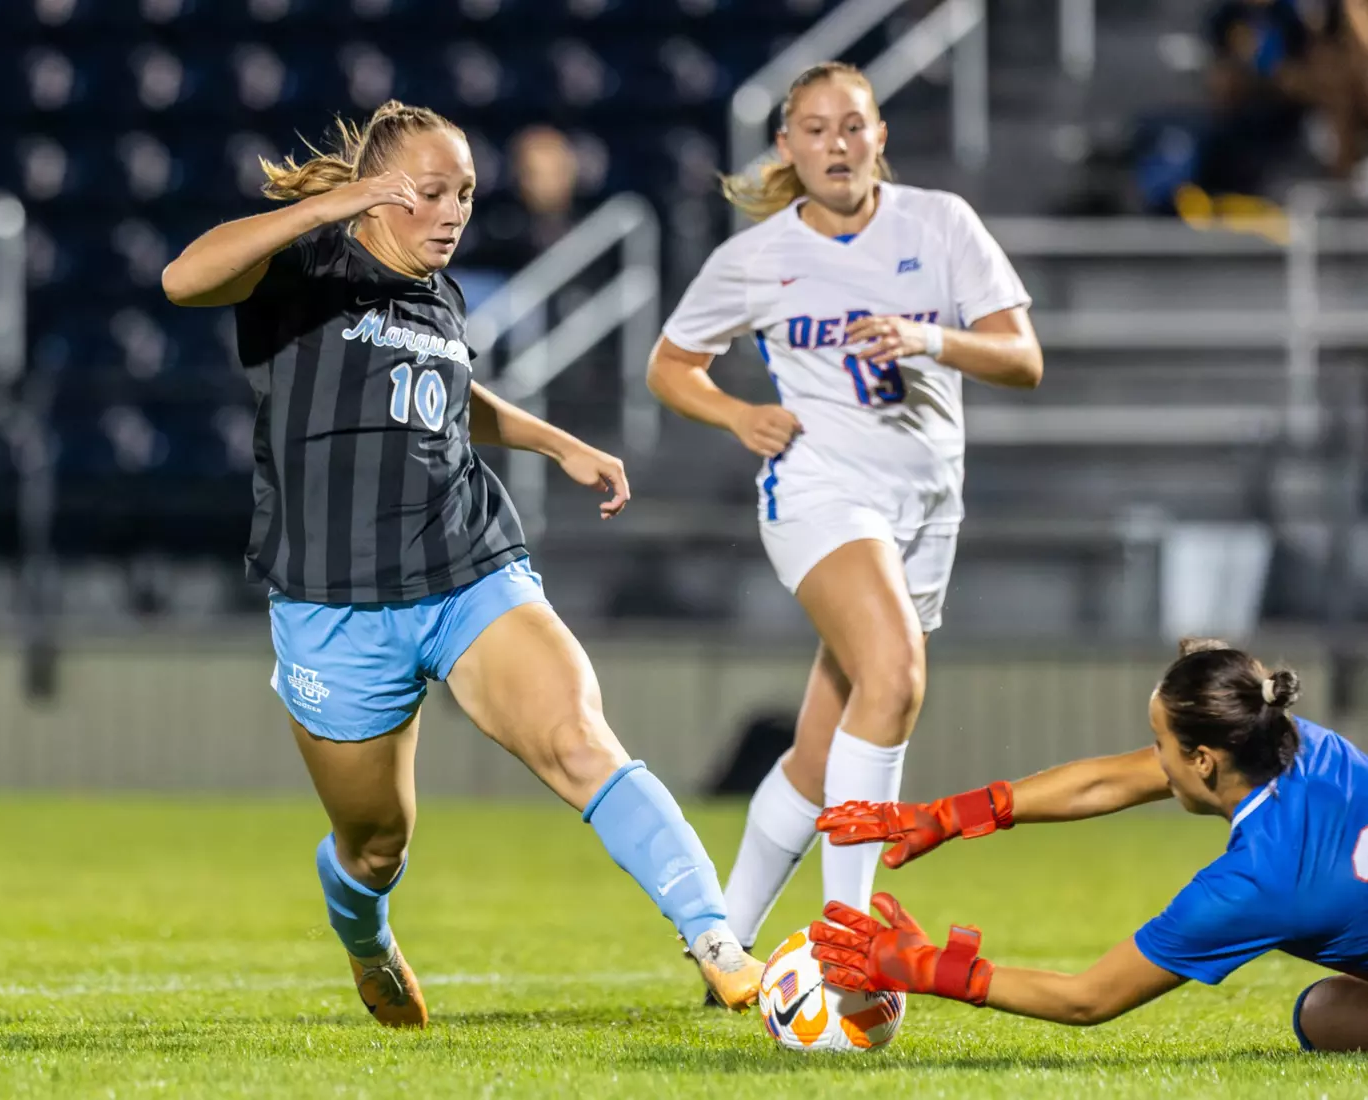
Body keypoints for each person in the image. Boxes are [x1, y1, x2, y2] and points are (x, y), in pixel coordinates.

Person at [160, 100, 764, 1027]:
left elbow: (445, 393)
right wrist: (332, 206)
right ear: (376, 194)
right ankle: (365, 934)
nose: (453, 212)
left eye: (467, 194)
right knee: (374, 846)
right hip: (335, 602)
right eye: (431, 192)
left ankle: (718, 941)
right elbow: (181, 278)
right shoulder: (304, 269)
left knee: (578, 739)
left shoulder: (438, 293)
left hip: (466, 567)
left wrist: (555, 442)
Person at [646, 62, 1042, 964]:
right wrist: (737, 413)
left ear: (879, 137)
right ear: (786, 146)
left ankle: (721, 946)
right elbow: (670, 365)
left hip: (927, 504)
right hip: (817, 490)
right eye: (815, 129)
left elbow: (1022, 359)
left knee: (822, 755)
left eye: (852, 125)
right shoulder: (754, 257)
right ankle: (847, 943)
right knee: (895, 675)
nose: (836, 144)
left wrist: (925, 336)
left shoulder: (938, 224)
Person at [810, 639, 1368, 1053]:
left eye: (1160, 744)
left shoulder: (1254, 885)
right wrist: (948, 815)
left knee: (1322, 1015)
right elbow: (1108, 782)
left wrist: (930, 969)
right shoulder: (1304, 743)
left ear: (1203, 760)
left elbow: (1087, 998)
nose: (1153, 762)